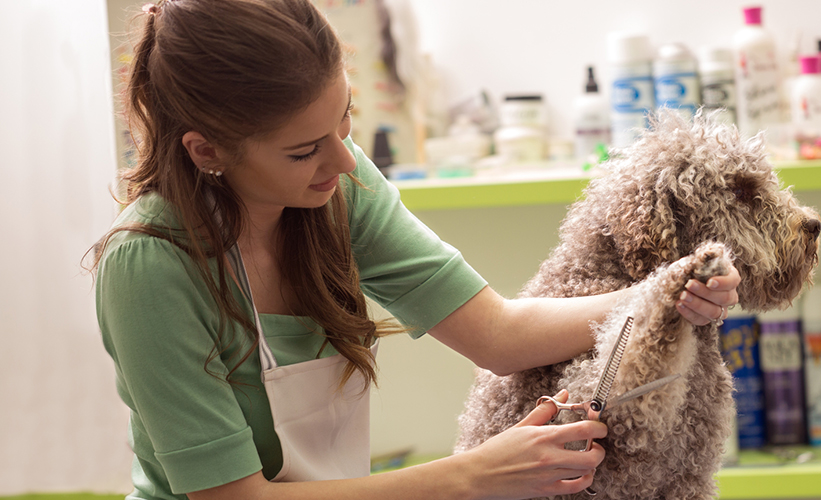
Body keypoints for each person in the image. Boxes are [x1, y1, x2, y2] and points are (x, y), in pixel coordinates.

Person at [89, 1, 740, 499]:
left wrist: (663, 294)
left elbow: (499, 333)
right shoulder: (150, 268)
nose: (343, 159)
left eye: (344, 118)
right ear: (206, 151)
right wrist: (476, 474)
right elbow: (234, 497)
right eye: (302, 149)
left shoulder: (335, 185)